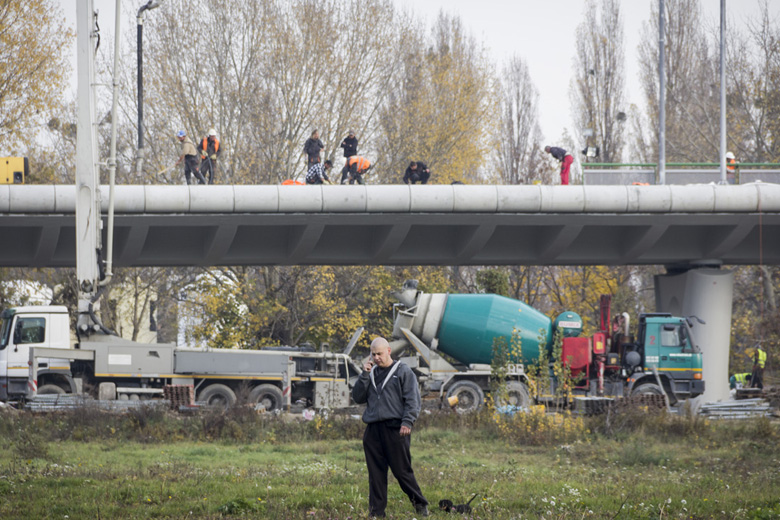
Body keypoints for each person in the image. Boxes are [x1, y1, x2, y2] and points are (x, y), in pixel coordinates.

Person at [352, 337, 429, 518]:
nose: (376, 357)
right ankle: (377, 512)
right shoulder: (369, 373)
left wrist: (407, 422)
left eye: (379, 353)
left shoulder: (403, 372)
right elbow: (358, 397)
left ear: (388, 351)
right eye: (373, 354)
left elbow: (412, 400)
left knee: (401, 471)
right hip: (373, 429)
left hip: (395, 428)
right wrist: (363, 375)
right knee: (376, 474)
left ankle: (420, 504)